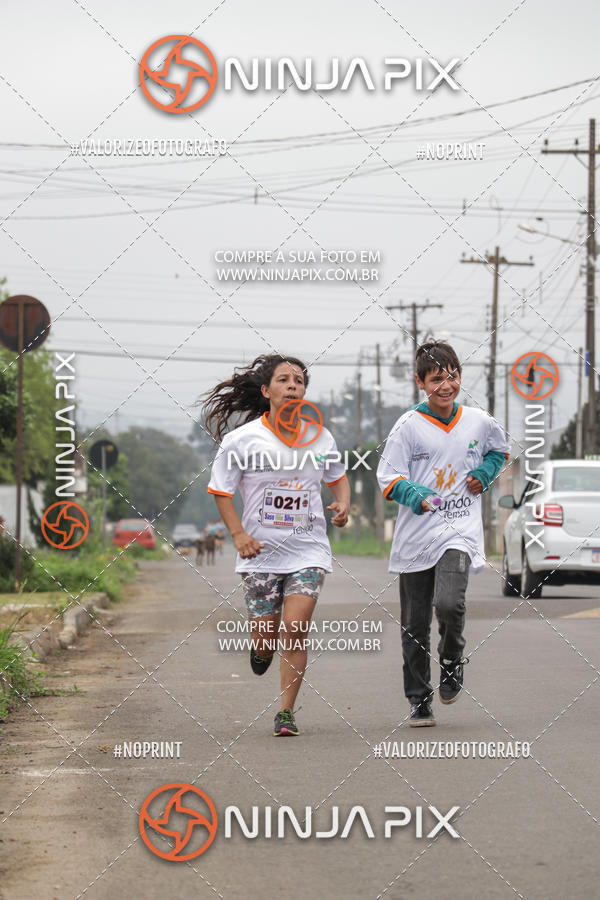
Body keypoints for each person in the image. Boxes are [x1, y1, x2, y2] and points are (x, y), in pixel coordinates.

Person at [204, 354, 350, 736]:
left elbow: (338, 477)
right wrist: (238, 535)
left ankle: (285, 712)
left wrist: (344, 503)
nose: (292, 386)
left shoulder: (320, 436)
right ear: (267, 391)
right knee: (267, 635)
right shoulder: (242, 440)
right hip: (260, 554)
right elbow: (221, 491)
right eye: (284, 380)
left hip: (308, 549)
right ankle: (262, 648)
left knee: (296, 626)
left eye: (299, 381)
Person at [377, 341, 510, 727]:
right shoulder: (407, 426)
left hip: (458, 531)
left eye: (451, 377)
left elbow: (499, 452)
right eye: (436, 379)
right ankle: (420, 700)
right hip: (417, 539)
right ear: (421, 382)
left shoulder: (479, 421)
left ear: (460, 378)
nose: (445, 385)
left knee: (450, 604)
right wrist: (415, 494)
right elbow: (387, 477)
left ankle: (452, 656)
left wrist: (484, 474)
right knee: (414, 624)